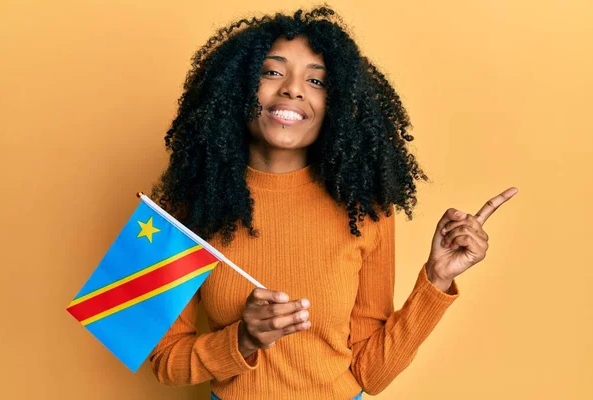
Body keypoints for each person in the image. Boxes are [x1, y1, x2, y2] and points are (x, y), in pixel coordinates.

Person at [147, 6, 517, 400]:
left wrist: (437, 280)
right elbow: (164, 360)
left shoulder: (364, 208)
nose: (292, 88)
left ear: (335, 103)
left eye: (317, 81)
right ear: (237, 87)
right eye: (272, 72)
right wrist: (242, 339)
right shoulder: (186, 208)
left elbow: (370, 374)